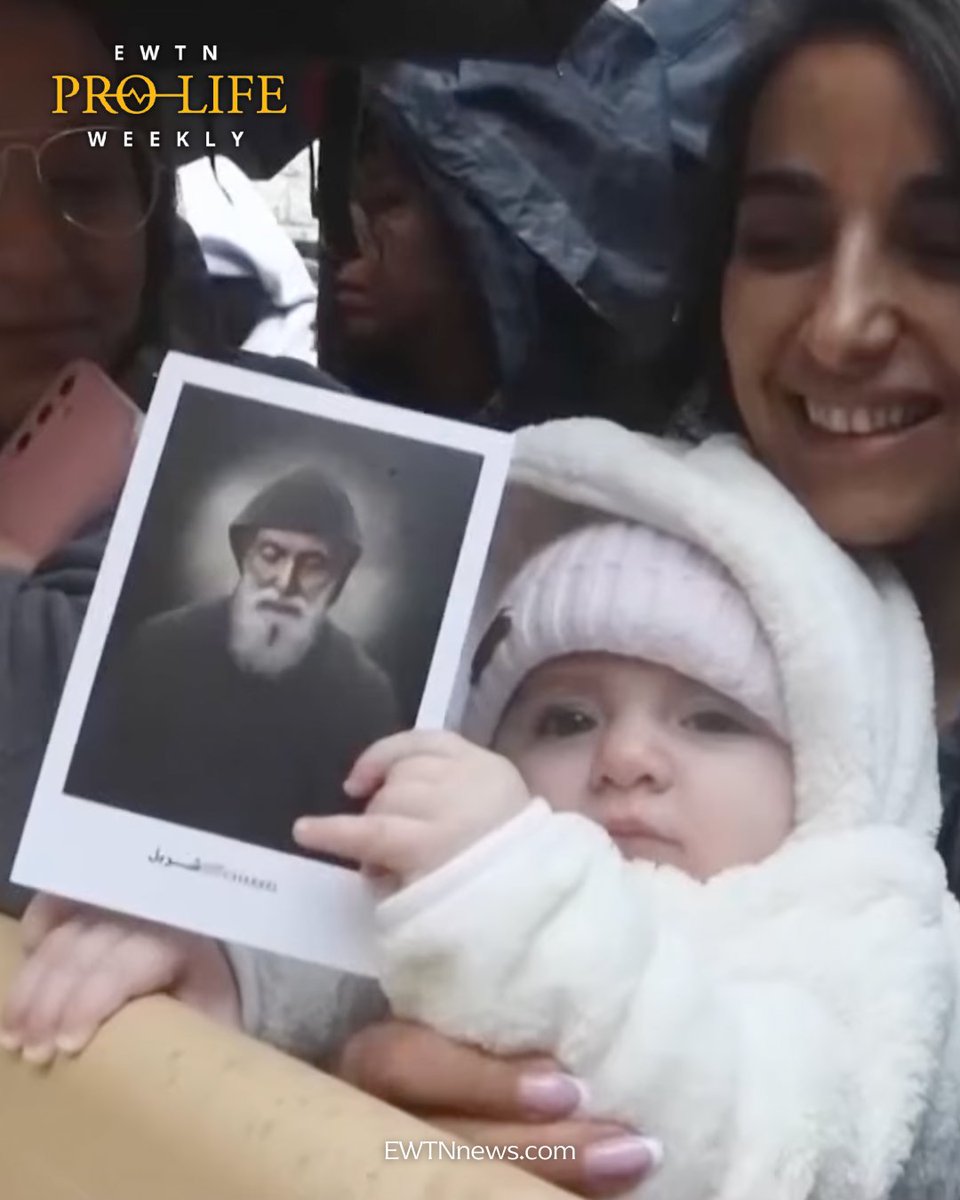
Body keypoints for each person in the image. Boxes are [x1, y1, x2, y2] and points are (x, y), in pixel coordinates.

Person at [9, 418, 960, 1199]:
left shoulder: (861, 939)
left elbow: (782, 1147)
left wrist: (514, 888)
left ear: (829, 769)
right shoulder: (475, 899)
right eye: (567, 716)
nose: (627, 758)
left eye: (712, 720)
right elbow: (354, 959)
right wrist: (224, 968)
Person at [68, 466, 400, 853]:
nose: (284, 581)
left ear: (338, 579)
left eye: (313, 564)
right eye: (271, 554)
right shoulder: (161, 646)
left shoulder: (365, 694)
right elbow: (98, 785)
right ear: (245, 556)